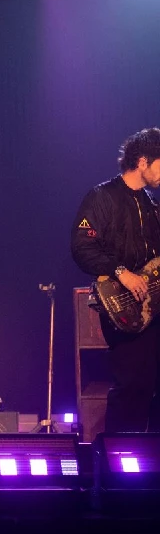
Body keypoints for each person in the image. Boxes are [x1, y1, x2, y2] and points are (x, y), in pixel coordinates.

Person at [71, 127, 160, 434]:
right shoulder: (102, 197)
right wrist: (122, 271)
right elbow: (82, 247)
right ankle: (120, 461)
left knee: (150, 384)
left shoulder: (151, 204)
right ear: (144, 161)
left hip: (154, 304)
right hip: (123, 305)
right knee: (132, 383)